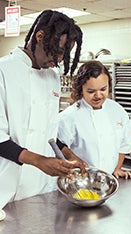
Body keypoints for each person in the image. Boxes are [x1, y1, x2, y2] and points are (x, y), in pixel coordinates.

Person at [0, 10, 86, 209]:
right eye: (58, 51)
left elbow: (48, 130)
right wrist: (40, 161)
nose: (59, 59)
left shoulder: (52, 77)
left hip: (41, 187)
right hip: (6, 184)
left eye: (65, 54)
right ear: (40, 36)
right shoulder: (4, 70)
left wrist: (70, 155)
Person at [57, 61, 131, 179]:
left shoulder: (117, 110)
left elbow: (123, 145)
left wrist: (117, 168)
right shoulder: (69, 116)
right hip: (81, 179)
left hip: (109, 179)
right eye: (91, 91)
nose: (98, 95)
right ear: (80, 89)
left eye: (103, 89)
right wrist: (75, 162)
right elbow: (60, 148)